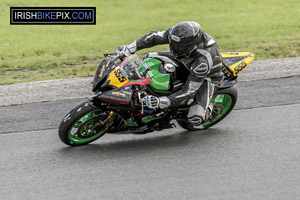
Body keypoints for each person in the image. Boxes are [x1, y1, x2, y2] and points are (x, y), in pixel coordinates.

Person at [116, 21, 224, 126]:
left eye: (180, 47)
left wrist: (164, 101)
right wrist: (129, 47)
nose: (175, 48)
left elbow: (189, 91)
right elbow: (153, 37)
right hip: (185, 59)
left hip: (208, 77)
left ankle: (208, 108)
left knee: (195, 118)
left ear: (192, 46)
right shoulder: (176, 34)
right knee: (148, 57)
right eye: (174, 44)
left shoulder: (202, 61)